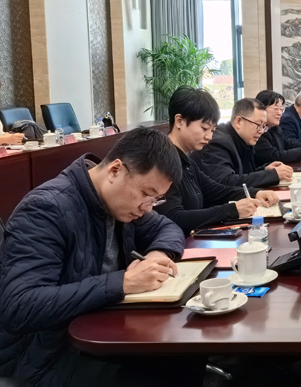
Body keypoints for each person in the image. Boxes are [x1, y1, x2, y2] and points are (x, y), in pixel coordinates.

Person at [0, 127, 205, 387]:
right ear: (115, 170)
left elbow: (168, 227)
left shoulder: (120, 202)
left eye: (155, 200)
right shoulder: (45, 210)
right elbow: (19, 305)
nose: (146, 208)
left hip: (100, 332)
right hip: (47, 357)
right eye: (146, 194)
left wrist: (157, 255)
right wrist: (123, 282)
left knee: (187, 352)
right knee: (163, 370)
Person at [156, 87, 278, 236]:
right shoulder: (162, 161)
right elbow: (173, 217)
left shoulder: (185, 160)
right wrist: (231, 210)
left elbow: (216, 190)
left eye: (212, 130)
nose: (209, 136)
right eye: (204, 128)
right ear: (180, 121)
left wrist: (255, 193)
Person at [192, 98, 293, 188]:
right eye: (258, 125)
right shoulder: (218, 143)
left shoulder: (242, 140)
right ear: (239, 121)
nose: (262, 131)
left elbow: (242, 175)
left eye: (264, 126)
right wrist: (272, 175)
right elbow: (224, 182)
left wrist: (265, 170)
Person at [254, 90, 301, 166]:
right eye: (276, 109)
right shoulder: (257, 132)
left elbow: (287, 143)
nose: (279, 113)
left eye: (281, 109)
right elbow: (274, 156)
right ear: (261, 109)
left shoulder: (273, 128)